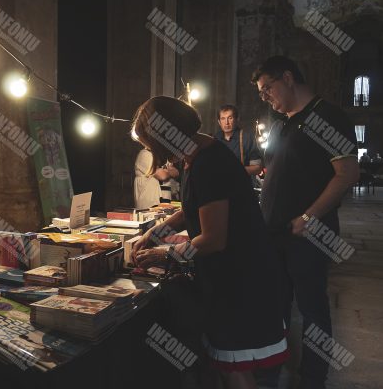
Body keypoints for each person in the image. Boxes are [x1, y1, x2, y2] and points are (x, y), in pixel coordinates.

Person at [131, 96, 288, 389]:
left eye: (151, 145)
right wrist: (158, 230)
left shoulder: (208, 164)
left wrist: (165, 255)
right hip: (234, 276)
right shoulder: (198, 153)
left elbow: (213, 240)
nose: (153, 152)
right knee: (227, 366)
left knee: (236, 369)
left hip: (240, 279)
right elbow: (195, 206)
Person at [252, 56, 359, 389]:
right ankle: (270, 370)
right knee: (274, 306)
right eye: (261, 92)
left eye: (267, 88)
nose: (265, 96)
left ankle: (313, 379)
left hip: (309, 234)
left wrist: (309, 216)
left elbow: (347, 174)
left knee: (313, 311)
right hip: (275, 234)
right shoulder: (283, 122)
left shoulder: (328, 116)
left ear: (287, 78)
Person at [214, 104, 262, 179]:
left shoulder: (246, 138)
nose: (226, 123)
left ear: (237, 119)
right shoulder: (215, 139)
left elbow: (257, 168)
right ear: (219, 122)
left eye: (230, 118)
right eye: (223, 118)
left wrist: (232, 170)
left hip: (241, 185)